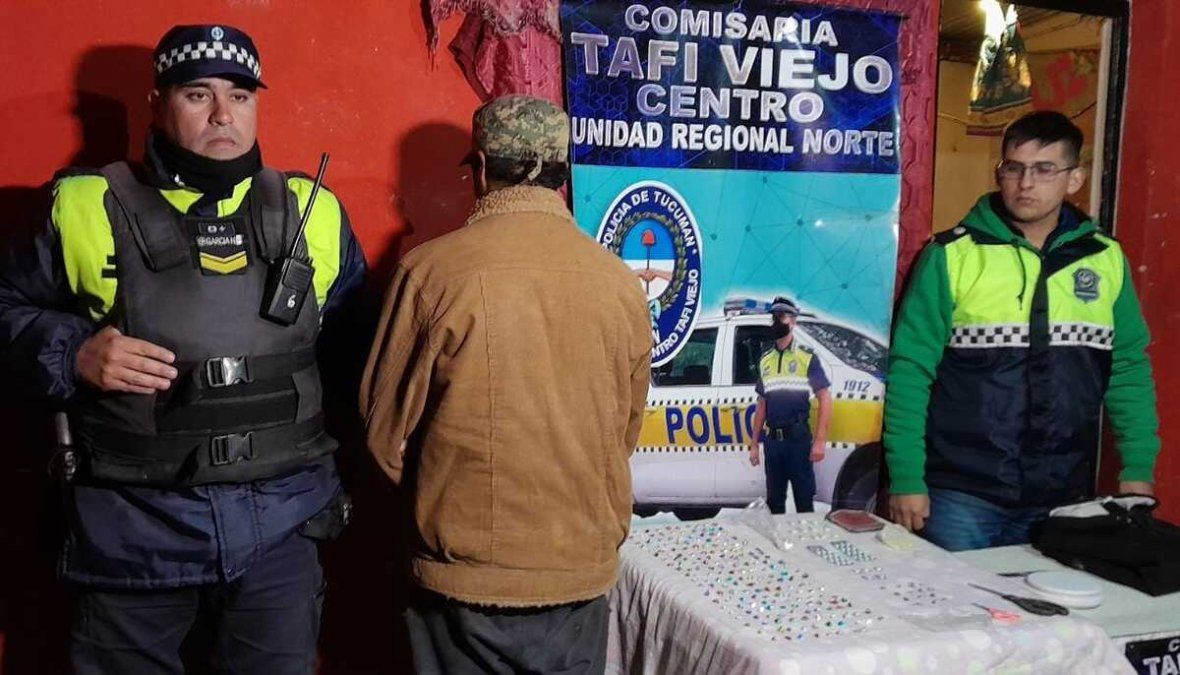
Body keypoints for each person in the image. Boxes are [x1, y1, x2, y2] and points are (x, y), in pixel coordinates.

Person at [0, 24, 366, 673]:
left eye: (240, 95)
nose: (224, 114)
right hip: (135, 529)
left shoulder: (315, 212)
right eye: (198, 94)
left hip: (281, 528)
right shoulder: (83, 206)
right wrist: (73, 352)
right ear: (156, 103)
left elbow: (357, 357)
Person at [360, 94, 651, 674]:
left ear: (481, 169)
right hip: (579, 570)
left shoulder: (431, 272)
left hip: (463, 576)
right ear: (563, 174)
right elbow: (625, 429)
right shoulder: (620, 282)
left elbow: (383, 436)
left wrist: (445, 498)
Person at [884, 110, 1159, 551]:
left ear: (1074, 179)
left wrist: (1137, 469)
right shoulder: (952, 255)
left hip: (1063, 494)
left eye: (1044, 169)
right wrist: (906, 478)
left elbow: (1127, 369)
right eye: (1014, 168)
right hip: (961, 494)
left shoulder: (1105, 260)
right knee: (957, 599)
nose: (1025, 184)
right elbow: (909, 371)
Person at [747, 297, 833, 514]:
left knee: (804, 502)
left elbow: (824, 398)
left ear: (793, 321)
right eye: (774, 317)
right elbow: (762, 405)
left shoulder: (806, 357)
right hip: (773, 443)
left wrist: (820, 440)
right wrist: (754, 444)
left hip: (798, 440)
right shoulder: (765, 360)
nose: (776, 321)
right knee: (774, 503)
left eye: (781, 316)